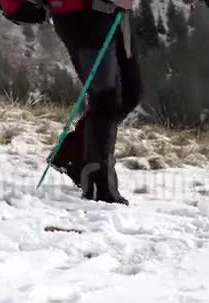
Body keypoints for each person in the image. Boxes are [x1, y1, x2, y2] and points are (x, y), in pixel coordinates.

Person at [47, 0, 143, 206]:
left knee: (130, 94)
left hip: (111, 12)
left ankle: (74, 155)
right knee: (105, 99)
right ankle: (99, 187)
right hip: (82, 17)